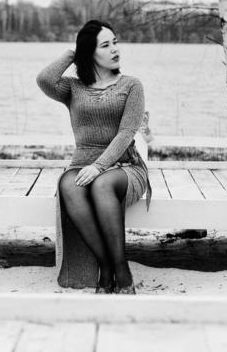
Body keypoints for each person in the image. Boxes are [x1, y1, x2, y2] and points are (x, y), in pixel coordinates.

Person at [36, 19, 151, 294]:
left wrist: (99, 166)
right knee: (67, 184)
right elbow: (44, 79)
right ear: (90, 52)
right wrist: (74, 53)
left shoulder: (132, 86)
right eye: (105, 45)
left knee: (101, 184)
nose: (115, 50)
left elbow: (126, 133)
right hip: (83, 166)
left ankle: (121, 270)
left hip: (125, 167)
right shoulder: (72, 89)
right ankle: (106, 266)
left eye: (116, 43)